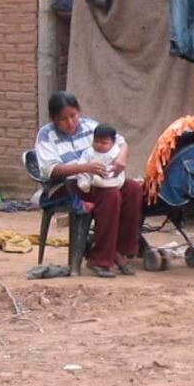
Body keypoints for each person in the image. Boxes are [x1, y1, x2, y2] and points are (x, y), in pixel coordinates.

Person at [35, 92, 142, 278]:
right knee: (111, 196)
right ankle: (100, 259)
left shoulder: (90, 126)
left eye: (73, 116)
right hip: (66, 187)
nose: (70, 122)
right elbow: (49, 170)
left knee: (133, 189)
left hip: (97, 181)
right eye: (63, 119)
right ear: (53, 119)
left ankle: (120, 250)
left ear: (79, 112)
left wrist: (121, 158)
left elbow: (121, 141)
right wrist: (84, 167)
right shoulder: (46, 135)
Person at [74, 124, 126, 193]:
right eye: (96, 142)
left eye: (104, 143)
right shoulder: (88, 152)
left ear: (113, 143)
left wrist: (108, 172)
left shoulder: (116, 152)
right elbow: (81, 164)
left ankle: (101, 183)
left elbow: (115, 168)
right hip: (91, 175)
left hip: (110, 176)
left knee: (116, 180)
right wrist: (85, 169)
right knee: (82, 173)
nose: (99, 145)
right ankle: (84, 184)